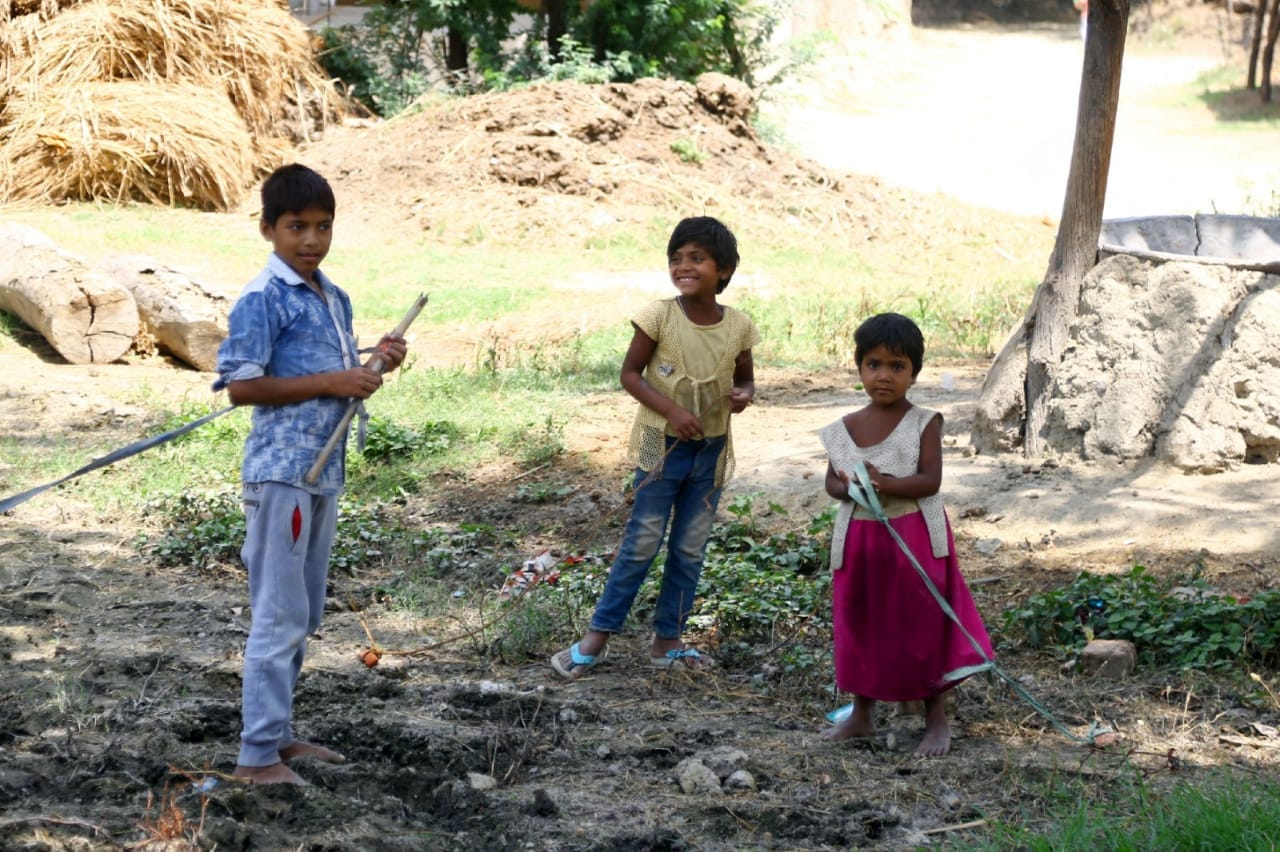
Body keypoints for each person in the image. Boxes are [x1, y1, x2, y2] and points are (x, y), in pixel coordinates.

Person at [214, 163, 408, 785]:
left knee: (305, 612)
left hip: (323, 474)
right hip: (284, 475)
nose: (311, 240)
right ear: (268, 228)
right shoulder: (261, 297)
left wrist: (375, 362)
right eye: (296, 227)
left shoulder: (332, 293)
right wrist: (333, 379)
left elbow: (339, 383)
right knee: (278, 612)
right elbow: (242, 387)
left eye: (323, 227)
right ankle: (254, 758)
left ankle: (277, 737)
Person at [551, 216, 761, 679]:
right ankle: (595, 639)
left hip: (711, 451)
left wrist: (744, 395)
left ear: (724, 269)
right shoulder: (658, 316)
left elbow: (744, 378)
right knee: (642, 542)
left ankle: (668, 641)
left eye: (697, 258)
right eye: (676, 258)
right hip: (659, 445)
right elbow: (630, 375)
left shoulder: (740, 327)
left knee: (690, 547)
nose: (684, 266)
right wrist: (671, 411)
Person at [817, 313, 992, 757]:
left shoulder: (923, 422)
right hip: (860, 539)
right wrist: (849, 486)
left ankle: (936, 719)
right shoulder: (845, 428)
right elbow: (832, 484)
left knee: (922, 622)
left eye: (897, 367)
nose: (884, 376)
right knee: (860, 620)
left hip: (913, 537)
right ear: (859, 367)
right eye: (874, 364)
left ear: (915, 373)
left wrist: (885, 484)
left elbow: (929, 481)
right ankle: (861, 713)